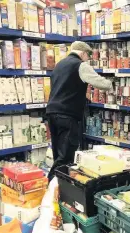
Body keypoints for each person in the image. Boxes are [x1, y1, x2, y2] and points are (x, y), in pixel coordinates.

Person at [46, 41, 112, 180]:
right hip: (67, 116)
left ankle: (59, 189)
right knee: (66, 156)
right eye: (87, 56)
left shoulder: (59, 65)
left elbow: (64, 88)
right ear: (82, 53)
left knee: (58, 154)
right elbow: (103, 84)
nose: (87, 59)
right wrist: (112, 81)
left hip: (52, 113)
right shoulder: (80, 65)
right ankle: (50, 186)